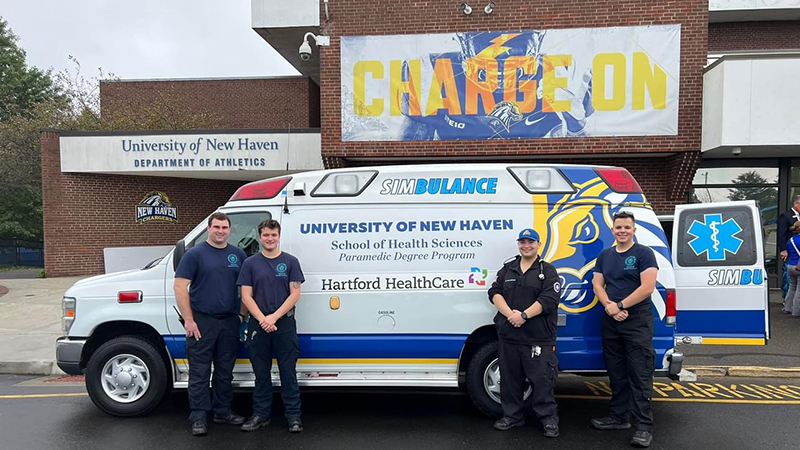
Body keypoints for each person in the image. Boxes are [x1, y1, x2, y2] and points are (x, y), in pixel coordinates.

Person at [174, 212, 247, 436]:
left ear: (230, 230)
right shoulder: (194, 254)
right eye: (216, 227)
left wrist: (241, 316)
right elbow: (179, 287)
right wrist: (189, 320)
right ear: (208, 228)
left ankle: (222, 412)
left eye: (224, 228)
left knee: (225, 372)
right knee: (200, 373)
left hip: (229, 321)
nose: (220, 231)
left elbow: (246, 288)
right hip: (201, 322)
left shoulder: (238, 254)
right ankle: (198, 417)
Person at [590, 211, 658, 448]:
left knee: (639, 374)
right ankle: (619, 417)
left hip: (636, 320)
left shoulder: (643, 253)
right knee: (616, 372)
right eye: (618, 227)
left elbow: (648, 287)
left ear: (634, 230)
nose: (622, 231)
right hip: (611, 319)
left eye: (627, 227)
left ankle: (643, 427)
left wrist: (619, 305)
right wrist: (609, 306)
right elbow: (597, 283)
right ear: (612, 230)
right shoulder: (605, 254)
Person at [487, 228, 561, 438]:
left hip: (537, 338)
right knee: (510, 380)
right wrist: (511, 314)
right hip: (509, 335)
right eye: (522, 242)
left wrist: (524, 316)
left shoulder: (547, 271)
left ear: (538, 244)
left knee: (542, 381)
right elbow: (494, 292)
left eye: (531, 242)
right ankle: (512, 417)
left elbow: (549, 300)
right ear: (518, 244)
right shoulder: (508, 269)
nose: (526, 245)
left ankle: (548, 420)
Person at [238, 219, 305, 433]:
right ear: (260, 237)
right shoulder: (250, 264)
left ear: (279, 236)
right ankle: (260, 415)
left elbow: (295, 294)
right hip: (259, 325)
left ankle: (293, 417)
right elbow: (246, 296)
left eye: (273, 235)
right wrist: (262, 319)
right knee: (261, 373)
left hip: (283, 324)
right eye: (266, 235)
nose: (270, 238)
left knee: (288, 372)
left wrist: (273, 317)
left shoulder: (290, 261)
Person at [777, 197, 800, 300]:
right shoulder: (786, 216)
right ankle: (786, 298)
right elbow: (781, 234)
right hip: (791, 249)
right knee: (789, 278)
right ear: (796, 204)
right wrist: (783, 249)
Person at [784, 222, 800, 316]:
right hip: (798, 266)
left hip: (790, 266)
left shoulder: (791, 240)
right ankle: (796, 312)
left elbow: (789, 252)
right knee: (799, 290)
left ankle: (787, 308)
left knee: (792, 287)